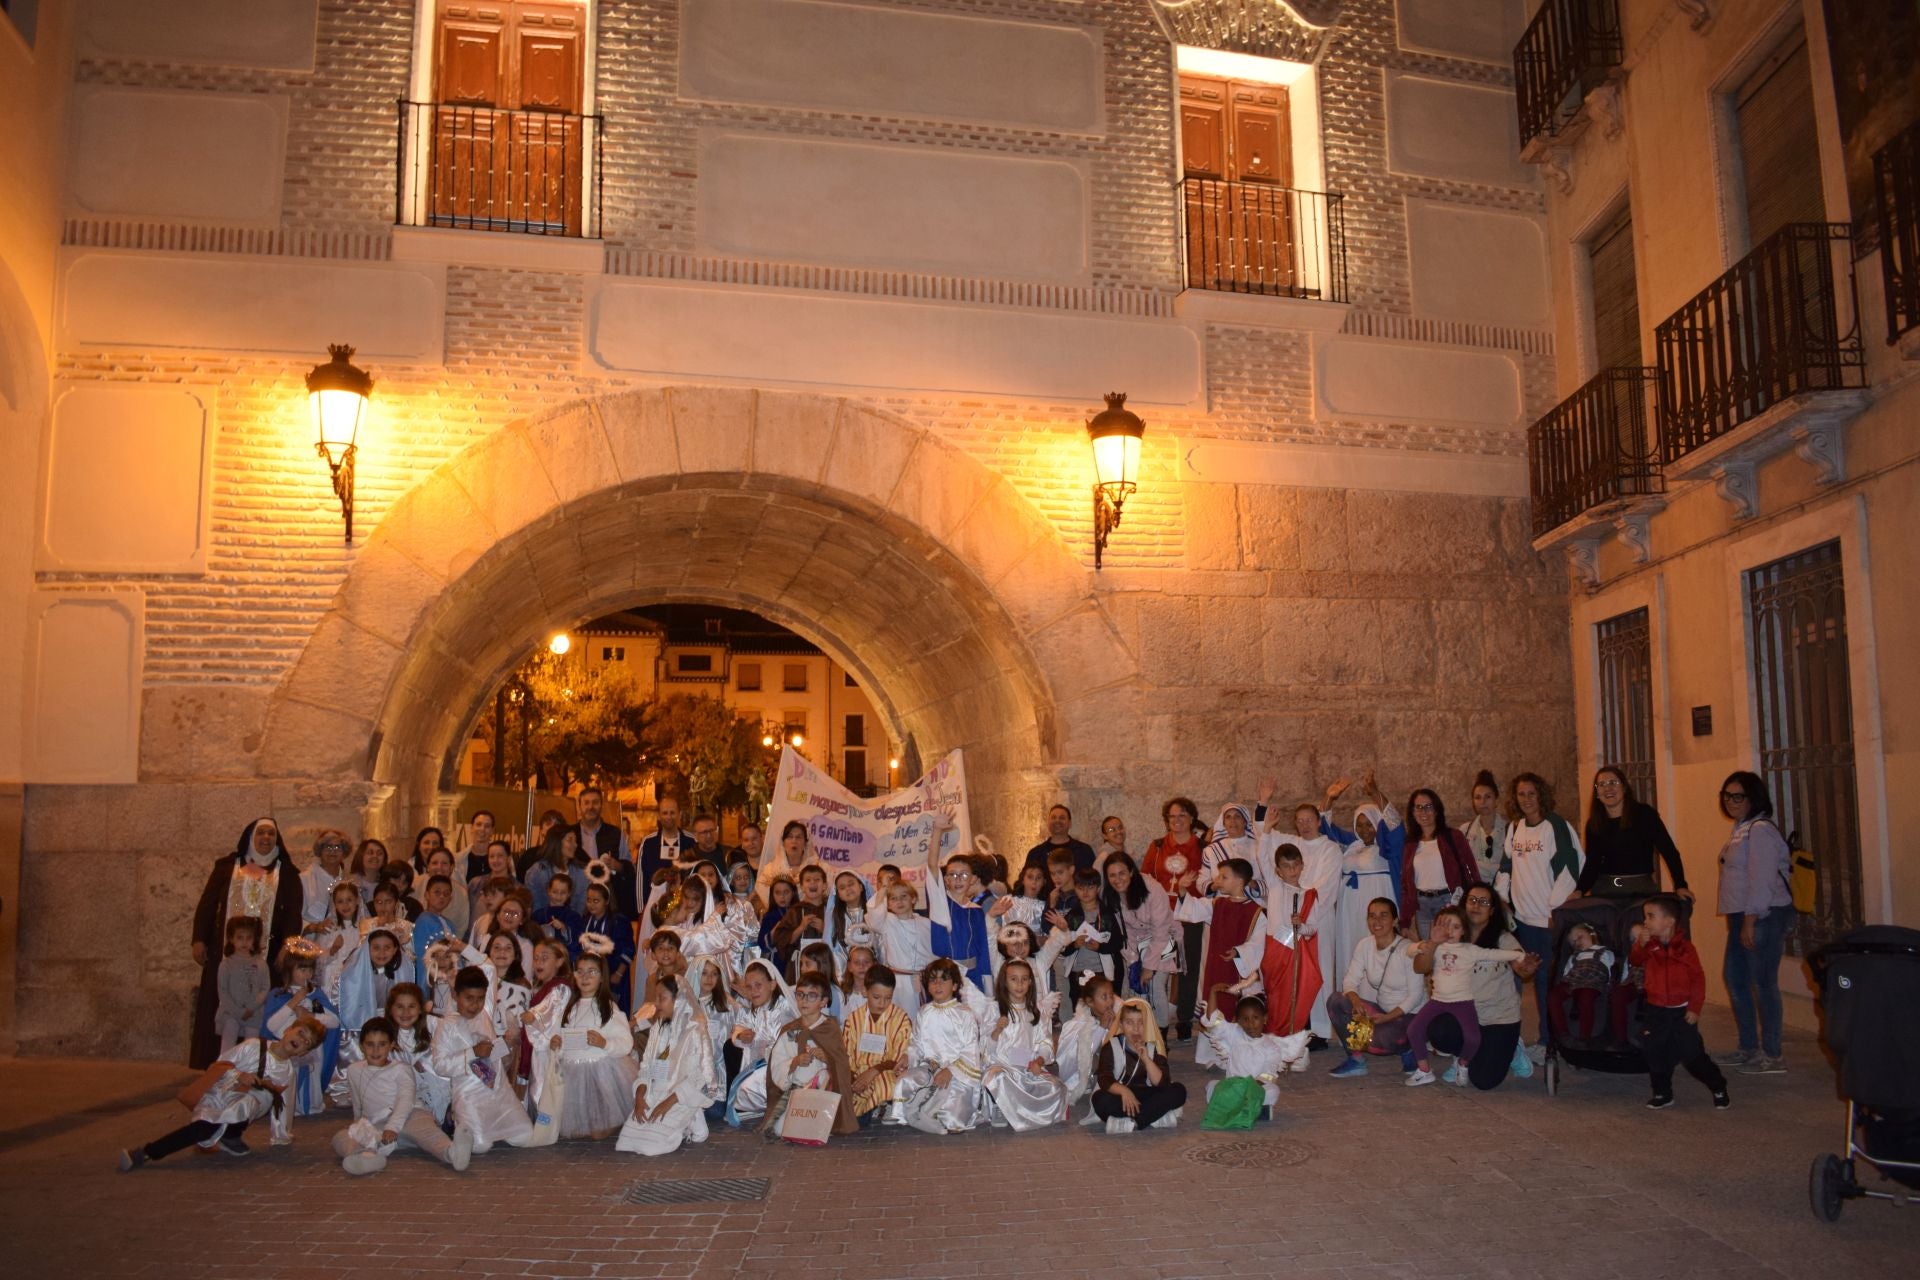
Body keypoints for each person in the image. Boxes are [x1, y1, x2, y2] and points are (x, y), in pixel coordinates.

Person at [118, 1014, 325, 1170]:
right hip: (221, 1095)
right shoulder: (253, 1046)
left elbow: (283, 1106)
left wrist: (280, 1136)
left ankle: (229, 1134)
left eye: (306, 1042)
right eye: (300, 1033)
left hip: (244, 1107)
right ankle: (148, 1152)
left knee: (250, 1102)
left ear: (303, 1053)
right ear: (288, 1029)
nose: (300, 1040)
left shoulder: (287, 1073)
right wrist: (238, 1075)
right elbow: (219, 1065)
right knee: (204, 1128)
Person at [189, 817, 307, 1068]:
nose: (266, 838)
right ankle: (217, 1065)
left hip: (267, 956)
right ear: (250, 837)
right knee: (222, 1007)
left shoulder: (287, 873)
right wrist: (199, 939)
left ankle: (255, 1065)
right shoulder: (227, 867)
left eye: (271, 834)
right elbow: (207, 904)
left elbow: (293, 914)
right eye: (261, 833)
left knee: (259, 1010)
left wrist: (288, 946)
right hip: (226, 954)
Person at [1710, 770, 1795, 1075]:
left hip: (1763, 915)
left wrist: (1750, 919)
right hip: (1742, 915)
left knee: (1763, 982)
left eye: (1738, 796)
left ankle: (1772, 1054)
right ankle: (1748, 1048)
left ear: (1753, 798)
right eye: (1726, 795)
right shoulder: (1741, 829)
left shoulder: (1760, 831)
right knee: (1736, 979)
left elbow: (1762, 878)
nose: (1731, 801)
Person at [1421, 887, 1540, 1088]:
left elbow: (1520, 967)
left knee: (1483, 1081)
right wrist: (1432, 943)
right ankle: (1462, 1056)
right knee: (1438, 1031)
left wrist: (1525, 969)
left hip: (1498, 1018)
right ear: (1464, 904)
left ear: (1492, 910)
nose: (1476, 905)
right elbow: (1422, 967)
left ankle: (1513, 1050)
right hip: (1464, 1014)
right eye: (1472, 900)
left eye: (1484, 902)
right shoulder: (1451, 935)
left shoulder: (1503, 938)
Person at [1503, 772, 1582, 1061]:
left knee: (1549, 983)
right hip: (1523, 921)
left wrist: (1554, 909)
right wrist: (1502, 899)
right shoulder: (1515, 827)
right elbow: (1506, 866)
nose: (1526, 799)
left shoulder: (1555, 826)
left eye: (1531, 793)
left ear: (1541, 795)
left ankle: (1551, 1041)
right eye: (1521, 794)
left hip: (1547, 921)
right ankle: (1543, 1039)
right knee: (1533, 981)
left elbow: (1570, 869)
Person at [1631, 897, 1731, 1110]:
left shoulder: (1686, 949)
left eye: (1651, 916)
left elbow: (1697, 979)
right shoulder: (1649, 945)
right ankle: (1662, 1093)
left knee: (1692, 1055)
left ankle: (1718, 1085)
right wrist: (1640, 944)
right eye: (1645, 916)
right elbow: (1636, 960)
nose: (1645, 921)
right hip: (1656, 1010)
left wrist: (1695, 1008)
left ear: (1669, 921)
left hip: (1681, 1012)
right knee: (1655, 1051)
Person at [432, 966, 536, 1154]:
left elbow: (491, 1056)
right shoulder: (446, 1025)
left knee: (525, 1136)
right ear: (455, 995)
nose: (475, 1005)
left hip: (499, 1093)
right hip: (470, 1097)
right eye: (469, 998)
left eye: (480, 998)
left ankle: (480, 1130)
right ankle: (460, 1127)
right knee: (480, 1146)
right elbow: (440, 1065)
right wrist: (473, 1053)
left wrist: (507, 1045)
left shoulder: (485, 1014)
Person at [617, 975, 720, 1156]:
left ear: (678, 999)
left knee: (651, 1147)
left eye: (661, 998)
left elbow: (700, 1076)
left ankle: (692, 1114)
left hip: (680, 1094)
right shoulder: (659, 1026)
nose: (656, 1004)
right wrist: (640, 1097)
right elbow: (647, 1065)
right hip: (655, 1090)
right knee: (626, 1141)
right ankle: (684, 1118)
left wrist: (667, 1103)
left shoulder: (696, 1029)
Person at [1327, 897, 1426, 1076]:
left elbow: (1415, 997)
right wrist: (1355, 1001)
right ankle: (1356, 1060)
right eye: (1372, 916)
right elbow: (1350, 980)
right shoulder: (1365, 945)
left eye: (1383, 915)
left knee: (1376, 1039)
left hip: (1410, 1017)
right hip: (1384, 1012)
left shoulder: (1407, 950)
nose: (1376, 921)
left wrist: (1387, 1018)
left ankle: (1408, 1050)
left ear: (1394, 920)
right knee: (1336, 1000)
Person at [548, 952, 638, 1140]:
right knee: (576, 1131)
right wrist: (556, 1043)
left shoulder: (608, 1008)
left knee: (598, 1133)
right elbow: (559, 1037)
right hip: (573, 1072)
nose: (585, 977)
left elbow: (625, 1042)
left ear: (602, 977)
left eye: (592, 972)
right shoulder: (569, 1008)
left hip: (600, 1072)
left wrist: (605, 1043)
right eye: (580, 972)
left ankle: (617, 1118)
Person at [761, 971, 861, 1139]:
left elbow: (842, 1064)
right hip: (794, 1090)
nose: (804, 1000)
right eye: (800, 994)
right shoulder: (790, 1030)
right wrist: (794, 1062)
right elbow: (777, 1062)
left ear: (823, 1002)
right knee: (777, 1130)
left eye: (812, 996)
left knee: (807, 1123)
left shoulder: (830, 1028)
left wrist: (827, 1059)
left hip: (823, 1090)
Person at [382, 984, 470, 1171]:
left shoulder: (434, 1024)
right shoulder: (386, 1033)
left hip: (442, 1081)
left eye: (411, 1006)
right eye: (400, 1007)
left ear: (421, 1008)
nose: (406, 1013)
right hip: (410, 1091)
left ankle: (452, 1126)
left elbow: (453, 1050)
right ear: (390, 1009)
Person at [897, 958, 986, 1134]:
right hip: (929, 1068)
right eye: (933, 980)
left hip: (958, 1073)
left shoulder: (964, 1014)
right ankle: (917, 1114)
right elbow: (916, 1043)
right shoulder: (924, 1012)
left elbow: (971, 1051)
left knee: (952, 1118)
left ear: (955, 986)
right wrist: (907, 1056)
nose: (937, 984)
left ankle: (934, 1116)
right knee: (904, 1081)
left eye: (943, 979)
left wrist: (950, 1070)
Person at [1140, 797, 1204, 1040]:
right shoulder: (1157, 846)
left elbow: (1208, 881)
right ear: (1166, 820)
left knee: (1188, 968)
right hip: (1160, 916)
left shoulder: (1203, 847)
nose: (1177, 821)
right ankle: (1159, 1021)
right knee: (1159, 968)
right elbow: (1145, 878)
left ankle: (1185, 1020)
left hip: (1190, 916)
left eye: (1182, 815)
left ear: (1192, 818)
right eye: (1172, 816)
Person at [1579, 766, 1691, 899]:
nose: (1608, 788)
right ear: (1597, 793)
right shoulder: (1594, 823)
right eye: (1602, 784)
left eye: (1613, 782)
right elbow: (1592, 862)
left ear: (1624, 787)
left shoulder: (1644, 815)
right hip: (1605, 888)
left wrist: (1680, 885)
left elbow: (1668, 851)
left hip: (1640, 887)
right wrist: (1579, 890)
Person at [979, 959, 1066, 1131]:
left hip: (1027, 1069)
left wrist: (1039, 1061)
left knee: (1056, 1086)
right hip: (1002, 1066)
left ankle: (1025, 1109)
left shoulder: (1035, 1012)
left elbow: (1045, 1042)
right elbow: (985, 1050)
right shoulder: (994, 1009)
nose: (1019, 984)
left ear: (1030, 982)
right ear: (1004, 982)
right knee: (997, 1078)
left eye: (1024, 979)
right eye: (1014, 979)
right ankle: (1000, 1106)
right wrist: (997, 1030)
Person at [330, 1016, 419, 1176]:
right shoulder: (354, 1070)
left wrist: (392, 1127)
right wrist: (358, 1125)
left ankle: (450, 1151)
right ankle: (365, 1157)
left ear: (391, 1045)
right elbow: (357, 1102)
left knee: (423, 1127)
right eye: (370, 1045)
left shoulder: (401, 1069)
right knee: (340, 1137)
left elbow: (405, 1100)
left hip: (402, 1120)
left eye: (382, 1045)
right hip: (375, 1125)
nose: (376, 1051)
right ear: (361, 1046)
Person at [1196, 993, 1310, 1117]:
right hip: (1233, 1086)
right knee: (1211, 1086)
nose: (1251, 1024)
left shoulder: (1272, 1047)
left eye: (1255, 1018)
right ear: (1238, 1021)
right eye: (1245, 1019)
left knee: (1272, 1091)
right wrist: (1213, 992)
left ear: (1264, 1018)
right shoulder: (1234, 1034)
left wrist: (1248, 1087)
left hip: (1254, 1087)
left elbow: (1269, 1073)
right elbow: (1214, 1022)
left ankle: (1233, 1108)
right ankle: (1253, 1111)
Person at [1105, 852, 1180, 1037]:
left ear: (1131, 872)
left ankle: (1161, 1036)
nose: (1117, 880)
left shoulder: (1153, 889)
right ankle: (1142, 1034)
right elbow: (1123, 933)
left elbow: (1161, 932)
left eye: (1122, 873)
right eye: (1112, 875)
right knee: (1137, 990)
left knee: (1155, 987)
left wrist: (1148, 967)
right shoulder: (1111, 896)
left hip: (1164, 938)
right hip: (1135, 944)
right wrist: (1133, 961)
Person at [1254, 844, 1322, 1036]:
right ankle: (1274, 1035)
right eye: (1286, 866)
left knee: (1294, 995)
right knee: (1275, 995)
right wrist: (1266, 831)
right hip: (1275, 952)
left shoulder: (1309, 895)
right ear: (1278, 870)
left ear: (1302, 866)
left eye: (1295, 865)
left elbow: (1313, 928)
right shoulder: (1275, 886)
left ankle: (1291, 1036)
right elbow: (1262, 855)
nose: (1292, 870)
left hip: (1295, 952)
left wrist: (1300, 926)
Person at [1190, 857, 1264, 1032]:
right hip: (1216, 967)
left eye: (1224, 877)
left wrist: (1239, 952)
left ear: (1240, 881)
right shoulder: (1218, 904)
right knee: (1213, 999)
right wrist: (1182, 890)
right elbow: (1193, 909)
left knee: (1231, 1006)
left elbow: (1259, 943)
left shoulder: (1256, 912)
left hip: (1237, 970)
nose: (1218, 880)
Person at [1093, 997, 1186, 1133]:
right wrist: (1124, 1091)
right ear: (1121, 1025)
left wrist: (1146, 1059)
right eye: (1129, 1023)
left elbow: (1162, 1082)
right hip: (1121, 1096)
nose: (1136, 1028)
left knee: (1178, 1090)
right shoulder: (1111, 1047)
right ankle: (1154, 1116)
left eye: (1141, 1023)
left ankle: (1135, 1120)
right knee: (1099, 1099)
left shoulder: (1154, 1048)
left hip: (1149, 1095)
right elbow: (1104, 1078)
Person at [1397, 789, 1478, 940]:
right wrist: (1405, 920)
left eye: (1428, 806)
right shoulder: (1410, 843)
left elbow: (1471, 870)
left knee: (1450, 948)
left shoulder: (1453, 836)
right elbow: (1406, 885)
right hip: (1422, 906)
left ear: (1436, 810)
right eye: (1419, 807)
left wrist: (1474, 900)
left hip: (1448, 901)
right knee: (1429, 949)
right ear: (1413, 812)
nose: (1424, 812)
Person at [926, 812, 992, 991]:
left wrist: (987, 989)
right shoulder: (941, 904)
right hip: (947, 978)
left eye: (963, 875)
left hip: (974, 978)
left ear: (973, 879)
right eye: (952, 875)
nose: (958, 879)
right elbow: (932, 866)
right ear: (945, 880)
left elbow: (983, 950)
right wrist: (937, 830)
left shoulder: (976, 910)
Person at [844, 965, 914, 1123]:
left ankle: (883, 1105)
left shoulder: (901, 1019)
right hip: (858, 1076)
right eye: (876, 997)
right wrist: (853, 1080)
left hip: (886, 1072)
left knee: (892, 1084)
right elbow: (846, 1055)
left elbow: (899, 1059)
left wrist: (873, 1071)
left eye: (888, 998)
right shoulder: (853, 1019)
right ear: (865, 991)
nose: (882, 1003)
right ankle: (873, 1107)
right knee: (840, 1085)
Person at [1056, 973, 1119, 1119]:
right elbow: (1079, 1056)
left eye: (1111, 996)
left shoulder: (1116, 1016)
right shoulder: (1075, 1026)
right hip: (1082, 1075)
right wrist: (1102, 1027)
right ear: (1090, 1002)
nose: (1110, 1001)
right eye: (1104, 997)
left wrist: (1114, 1027)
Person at [868, 881, 934, 1016]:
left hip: (925, 979)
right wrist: (884, 888)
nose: (899, 901)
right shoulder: (887, 922)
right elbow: (874, 916)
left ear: (913, 899)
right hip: (900, 983)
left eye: (904, 896)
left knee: (926, 1017)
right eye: (893, 898)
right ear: (888, 904)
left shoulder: (927, 924)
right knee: (902, 1018)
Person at [1549, 923, 1614, 1044]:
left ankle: (1585, 1035)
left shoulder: (1605, 952)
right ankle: (1563, 1032)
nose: (1577, 942)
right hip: (1573, 980)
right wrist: (1563, 986)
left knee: (1586, 998)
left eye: (1580, 937)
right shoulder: (1574, 957)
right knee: (1553, 996)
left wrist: (1609, 984)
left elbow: (1611, 970)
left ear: (1592, 934)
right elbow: (1566, 974)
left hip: (1592, 981)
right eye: (1573, 942)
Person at [215, 916, 270, 1054]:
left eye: (249, 938)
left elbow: (265, 987)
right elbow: (223, 991)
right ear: (231, 939)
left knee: (250, 1048)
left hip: (254, 1013)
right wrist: (238, 1011)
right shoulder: (226, 965)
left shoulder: (260, 964)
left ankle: (248, 1067)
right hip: (231, 1012)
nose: (244, 942)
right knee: (227, 1046)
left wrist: (252, 1007)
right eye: (240, 938)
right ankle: (224, 1066)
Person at [579, 881, 635, 1011]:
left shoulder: (619, 921)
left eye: (596, 901)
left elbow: (628, 948)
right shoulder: (586, 920)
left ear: (607, 901)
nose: (591, 904)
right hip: (593, 974)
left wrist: (619, 973)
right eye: (589, 900)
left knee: (614, 1009)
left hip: (613, 973)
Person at [1461, 770, 1508, 888]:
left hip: (1500, 892)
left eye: (1488, 797)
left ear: (1496, 800)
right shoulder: (1464, 831)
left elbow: (1510, 868)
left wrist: (1474, 866)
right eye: (1478, 797)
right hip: (1473, 891)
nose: (1483, 802)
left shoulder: (1509, 830)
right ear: (1473, 802)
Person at [1022, 803, 1095, 878]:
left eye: (1062, 818)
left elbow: (1093, 880)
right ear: (1048, 822)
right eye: (1053, 818)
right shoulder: (1035, 854)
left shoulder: (1084, 851)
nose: (1057, 821)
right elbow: (1024, 881)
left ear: (1070, 823)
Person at [638, 796, 689, 894]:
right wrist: (642, 904)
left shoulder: (691, 841)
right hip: (654, 902)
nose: (669, 817)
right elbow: (641, 879)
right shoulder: (648, 843)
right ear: (658, 816)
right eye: (665, 813)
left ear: (680, 814)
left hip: (684, 901)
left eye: (672, 813)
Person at [300, 830, 352, 925]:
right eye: (328, 847)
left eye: (337, 847)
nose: (332, 851)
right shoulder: (305, 879)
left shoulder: (349, 881)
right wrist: (314, 927)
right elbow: (294, 915)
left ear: (344, 852)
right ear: (320, 851)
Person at [457, 810, 497, 884]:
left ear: (492, 830)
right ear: (471, 828)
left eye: (487, 826)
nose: (482, 829)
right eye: (478, 825)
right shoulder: (459, 859)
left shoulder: (502, 857)